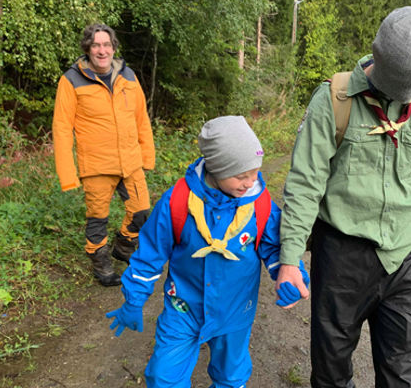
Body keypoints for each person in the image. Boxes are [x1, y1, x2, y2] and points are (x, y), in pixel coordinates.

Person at [275, 6, 411, 388]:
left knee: (406, 376)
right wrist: (289, 258)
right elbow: (305, 183)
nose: (404, 97)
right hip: (340, 257)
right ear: (378, 55)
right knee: (331, 371)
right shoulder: (333, 100)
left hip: (408, 257)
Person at [105, 115, 310, 388]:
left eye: (254, 173)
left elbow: (275, 247)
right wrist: (134, 298)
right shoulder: (177, 201)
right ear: (216, 168)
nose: (251, 182)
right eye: (241, 175)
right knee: (162, 376)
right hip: (183, 308)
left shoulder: (259, 204)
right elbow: (150, 254)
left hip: (236, 310)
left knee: (231, 376)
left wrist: (289, 272)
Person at [52, 23, 155, 287]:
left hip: (130, 161)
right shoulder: (71, 80)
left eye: (106, 44)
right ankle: (100, 261)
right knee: (98, 218)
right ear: (87, 48)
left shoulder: (128, 76)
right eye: (96, 45)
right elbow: (62, 128)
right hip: (96, 165)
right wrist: (67, 174)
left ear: (113, 48)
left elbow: (141, 117)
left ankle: (123, 246)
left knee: (142, 211)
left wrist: (147, 156)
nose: (102, 50)